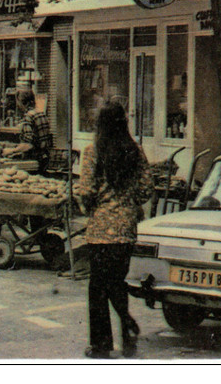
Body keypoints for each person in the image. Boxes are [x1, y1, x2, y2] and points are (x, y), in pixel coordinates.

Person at [74, 101, 154, 359]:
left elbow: (85, 191)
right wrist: (129, 203)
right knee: (117, 281)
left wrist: (91, 207)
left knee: (98, 286)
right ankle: (127, 335)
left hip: (100, 228)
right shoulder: (135, 151)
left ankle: (101, 344)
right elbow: (146, 190)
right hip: (126, 227)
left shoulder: (93, 151)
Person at [4, 89, 54, 174]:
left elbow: (28, 145)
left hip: (33, 159)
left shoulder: (28, 117)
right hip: (45, 158)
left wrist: (10, 151)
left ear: (21, 102)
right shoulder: (42, 113)